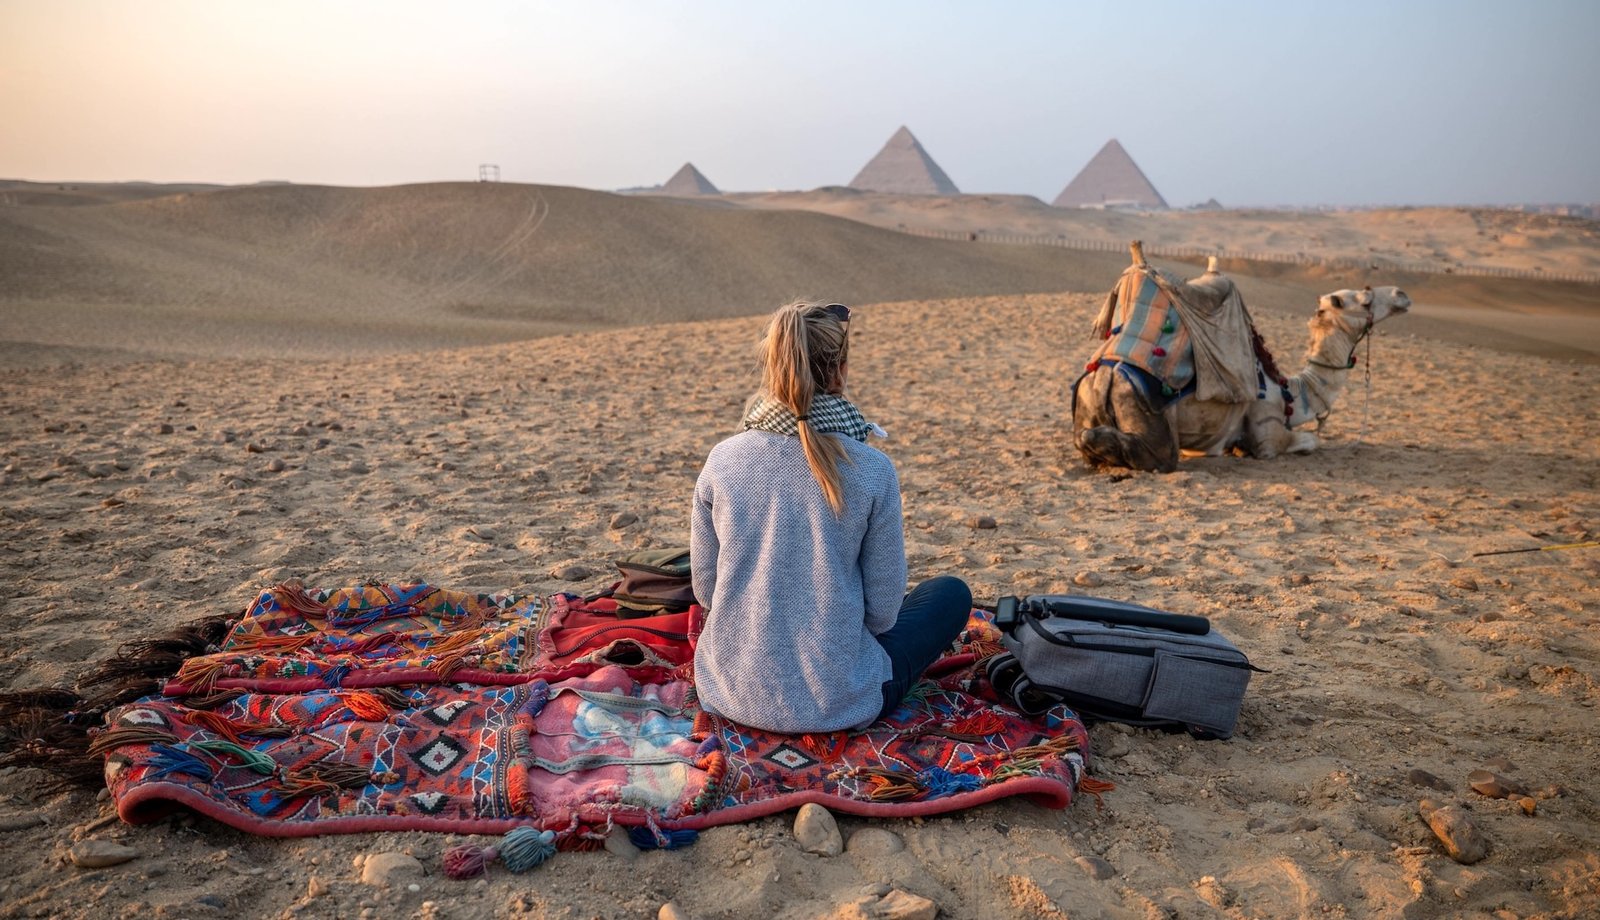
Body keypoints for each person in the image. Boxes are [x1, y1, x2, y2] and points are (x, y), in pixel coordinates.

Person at [690, 300, 973, 734]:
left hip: (730, 691)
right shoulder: (872, 469)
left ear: (771, 367)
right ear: (839, 371)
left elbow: (707, 592)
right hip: (839, 700)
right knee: (950, 594)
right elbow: (882, 615)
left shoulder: (723, 459)